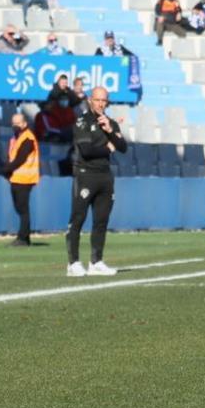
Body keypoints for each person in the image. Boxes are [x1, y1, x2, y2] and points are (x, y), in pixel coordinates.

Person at [66, 87, 126, 277]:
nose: (101, 104)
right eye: (98, 100)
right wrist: (109, 147)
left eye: (104, 100)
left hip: (105, 176)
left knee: (101, 221)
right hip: (85, 174)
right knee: (78, 219)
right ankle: (73, 262)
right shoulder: (82, 121)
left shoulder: (111, 123)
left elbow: (123, 147)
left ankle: (96, 261)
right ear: (90, 100)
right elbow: (86, 150)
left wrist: (110, 131)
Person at [2, 113, 39, 246]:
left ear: (24, 124)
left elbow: (20, 159)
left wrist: (6, 169)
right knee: (20, 208)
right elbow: (11, 157)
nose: (15, 126)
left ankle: (23, 238)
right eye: (14, 123)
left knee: (23, 209)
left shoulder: (28, 138)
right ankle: (25, 236)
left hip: (25, 178)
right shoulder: (15, 138)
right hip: (16, 178)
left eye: (18, 123)